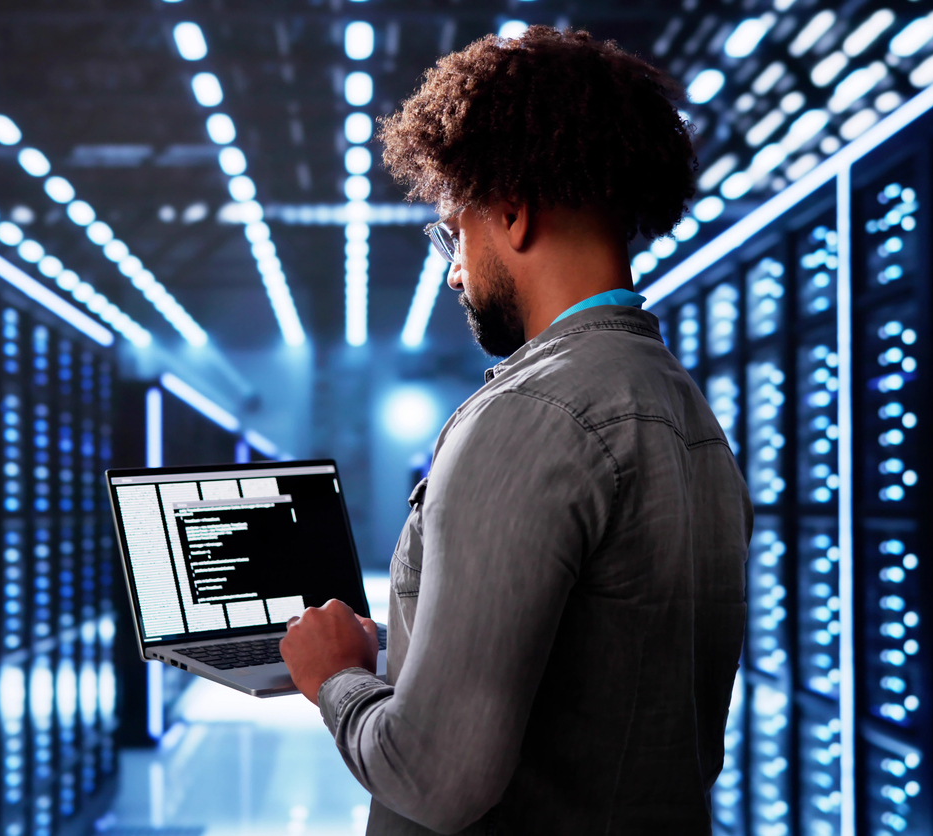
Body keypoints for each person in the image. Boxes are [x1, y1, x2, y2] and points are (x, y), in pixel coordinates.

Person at [279, 25, 752, 834]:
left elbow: (435, 778)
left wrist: (334, 680)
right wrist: (405, 648)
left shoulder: (528, 415)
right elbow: (598, 682)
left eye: (454, 233)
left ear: (511, 211)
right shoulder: (688, 415)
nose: (456, 270)